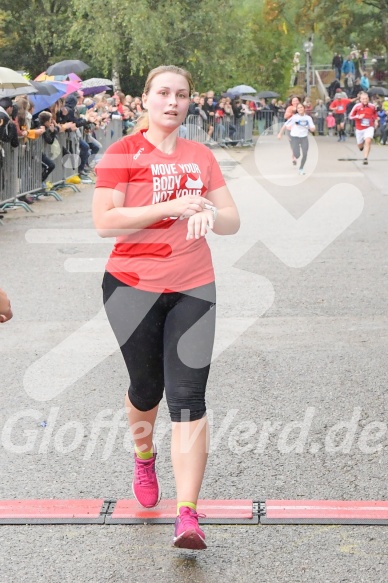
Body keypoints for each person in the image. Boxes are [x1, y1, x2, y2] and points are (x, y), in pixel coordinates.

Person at [92, 64, 240, 550]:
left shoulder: (200, 156)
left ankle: (187, 514)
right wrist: (172, 206)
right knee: (146, 387)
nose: (172, 101)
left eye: (181, 94)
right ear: (145, 100)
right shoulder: (121, 153)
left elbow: (232, 220)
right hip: (131, 288)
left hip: (193, 286)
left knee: (188, 397)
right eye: (163, 93)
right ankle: (142, 453)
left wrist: (211, 211)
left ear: (189, 101)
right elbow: (105, 222)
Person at [278, 102, 316, 175]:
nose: (300, 109)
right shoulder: (294, 117)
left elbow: (312, 127)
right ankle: (295, 154)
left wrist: (312, 128)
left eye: (301, 107)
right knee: (297, 155)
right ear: (297, 110)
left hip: (304, 137)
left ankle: (301, 168)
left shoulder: (308, 118)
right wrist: (280, 134)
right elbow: (285, 125)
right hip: (295, 137)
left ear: (304, 108)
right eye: (298, 108)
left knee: (305, 154)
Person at [348, 91, 378, 165]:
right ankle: (361, 146)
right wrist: (358, 117)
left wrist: (376, 121)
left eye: (366, 99)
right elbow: (350, 116)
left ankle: (365, 158)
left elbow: (375, 114)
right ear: (360, 99)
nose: (365, 100)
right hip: (359, 128)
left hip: (369, 127)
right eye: (363, 99)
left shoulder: (372, 106)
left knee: (368, 141)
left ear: (368, 99)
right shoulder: (356, 106)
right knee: (360, 146)